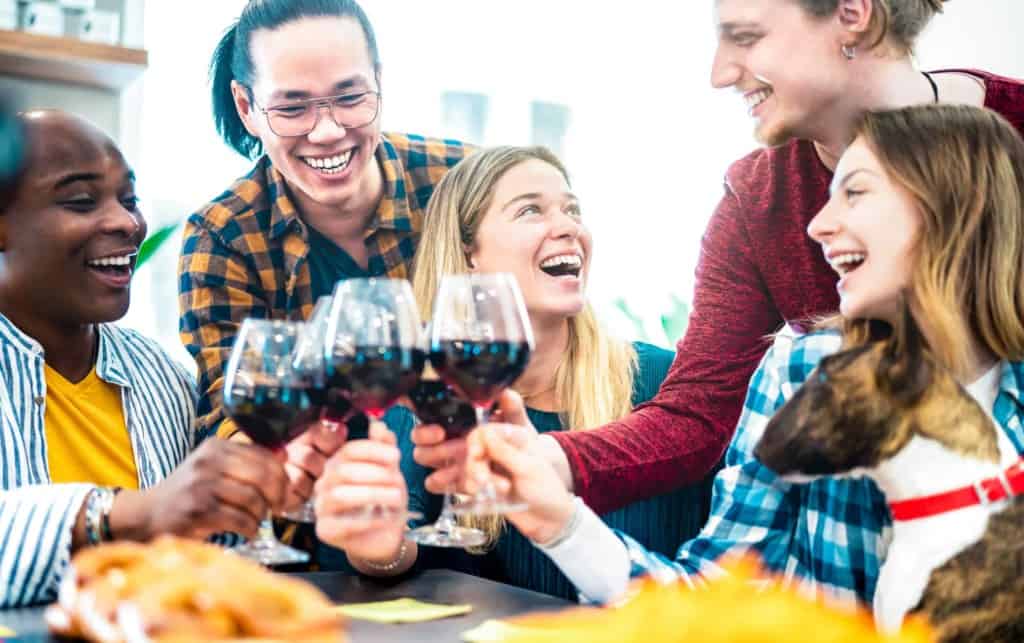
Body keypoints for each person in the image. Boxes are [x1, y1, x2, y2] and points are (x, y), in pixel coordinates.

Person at [411, 0, 1024, 519]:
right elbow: (700, 413)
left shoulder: (1013, 133)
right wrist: (554, 459)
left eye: (747, 37)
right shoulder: (758, 198)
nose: (720, 72)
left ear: (852, 13)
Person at [465, 104, 1024, 607]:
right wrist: (560, 523)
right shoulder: (803, 376)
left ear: (951, 210)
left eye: (854, 193)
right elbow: (711, 596)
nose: (817, 225)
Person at [313, 146, 715, 599]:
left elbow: (726, 568)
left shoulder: (668, 385)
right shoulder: (422, 396)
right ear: (470, 254)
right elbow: (389, 556)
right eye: (530, 210)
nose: (568, 227)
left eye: (572, 209)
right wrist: (376, 548)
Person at [0, 110, 289, 608]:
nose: (126, 222)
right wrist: (125, 514)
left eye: (128, 199)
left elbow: (209, 557)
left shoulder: (166, 379)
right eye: (81, 201)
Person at [178, 0, 474, 448]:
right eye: (293, 109)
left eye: (351, 98)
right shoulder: (223, 237)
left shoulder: (463, 181)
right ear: (246, 107)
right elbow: (230, 414)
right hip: (316, 498)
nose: (327, 131)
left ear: (379, 80)